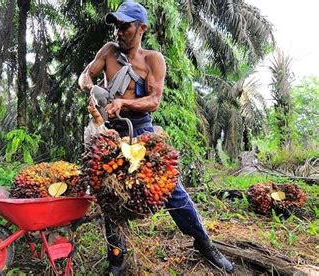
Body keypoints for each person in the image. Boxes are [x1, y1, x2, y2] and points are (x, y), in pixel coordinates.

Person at [78, 1, 234, 274]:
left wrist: (124, 104)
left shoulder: (152, 60)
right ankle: (116, 259)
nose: (118, 31)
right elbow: (85, 75)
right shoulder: (108, 52)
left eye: (124, 26)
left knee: (172, 189)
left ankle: (204, 243)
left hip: (140, 131)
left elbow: (154, 100)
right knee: (110, 192)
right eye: (116, 25)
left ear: (141, 28)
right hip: (110, 133)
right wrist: (91, 89)